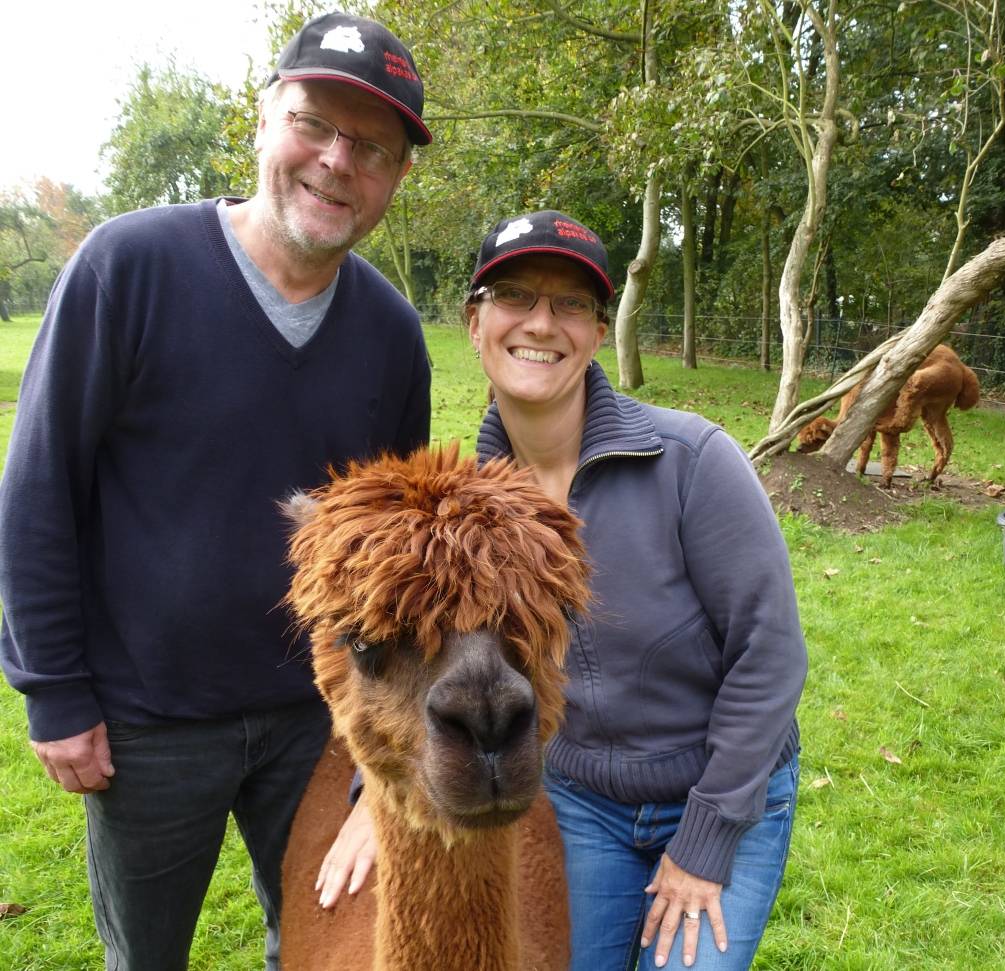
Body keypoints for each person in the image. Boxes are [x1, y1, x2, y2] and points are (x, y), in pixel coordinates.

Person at [0, 12, 431, 971]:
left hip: (314, 721)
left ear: (396, 177)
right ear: (265, 118)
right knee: (145, 956)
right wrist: (55, 691)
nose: (334, 161)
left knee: (321, 947)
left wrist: (380, 741)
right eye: (313, 123)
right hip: (145, 720)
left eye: (371, 147)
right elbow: (38, 491)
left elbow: (392, 556)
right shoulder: (128, 266)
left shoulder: (392, 333)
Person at [317, 210, 807, 971]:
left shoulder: (689, 461)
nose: (541, 322)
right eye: (514, 295)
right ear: (474, 323)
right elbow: (397, 658)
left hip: (716, 789)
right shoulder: (458, 508)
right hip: (573, 797)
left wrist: (704, 844)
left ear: (596, 330)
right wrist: (376, 798)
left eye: (571, 303)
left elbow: (769, 656)